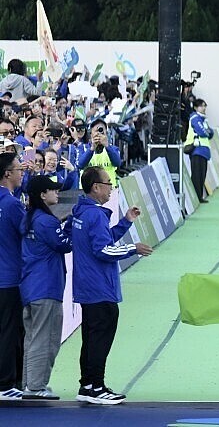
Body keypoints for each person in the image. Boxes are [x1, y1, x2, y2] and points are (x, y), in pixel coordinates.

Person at [71, 166, 154, 404]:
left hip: (87, 286)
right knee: (100, 338)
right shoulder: (96, 215)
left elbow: (102, 240)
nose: (111, 188)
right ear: (96, 187)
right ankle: (97, 387)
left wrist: (126, 222)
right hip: (100, 287)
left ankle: (87, 385)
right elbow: (103, 250)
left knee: (90, 338)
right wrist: (132, 248)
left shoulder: (81, 211)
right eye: (109, 183)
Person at [19, 176, 70, 400]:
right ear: (42, 194)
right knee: (46, 338)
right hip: (47, 286)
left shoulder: (29, 218)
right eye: (52, 189)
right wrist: (71, 226)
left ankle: (28, 383)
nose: (57, 193)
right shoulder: (46, 221)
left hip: (30, 285)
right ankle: (36, 386)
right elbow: (65, 245)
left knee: (32, 338)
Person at [0, 152, 26, 399]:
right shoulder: (12, 205)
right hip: (10, 279)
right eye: (19, 169)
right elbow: (29, 233)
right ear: (7, 174)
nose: (22, 173)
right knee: (10, 332)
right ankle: (6, 384)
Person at [76, 120, 122, 188]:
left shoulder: (113, 149)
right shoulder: (83, 148)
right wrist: (92, 149)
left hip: (109, 189)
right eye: (96, 131)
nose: (99, 134)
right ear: (91, 134)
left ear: (106, 133)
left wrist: (107, 146)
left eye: (101, 131)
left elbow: (117, 163)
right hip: (88, 190)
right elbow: (80, 165)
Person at [186, 99, 214, 203]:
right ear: (195, 107)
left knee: (202, 175)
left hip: (203, 151)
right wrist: (207, 132)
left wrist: (207, 132)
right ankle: (196, 197)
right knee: (197, 175)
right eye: (202, 106)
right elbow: (202, 132)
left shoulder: (203, 119)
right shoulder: (195, 118)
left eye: (204, 106)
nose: (204, 108)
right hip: (196, 150)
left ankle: (200, 196)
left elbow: (211, 133)